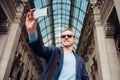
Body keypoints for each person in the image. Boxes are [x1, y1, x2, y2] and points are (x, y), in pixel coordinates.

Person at [25, 9, 89, 80]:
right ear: (61, 40)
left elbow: (85, 78)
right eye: (63, 36)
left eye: (69, 36)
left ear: (74, 39)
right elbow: (39, 50)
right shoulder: (54, 51)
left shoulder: (79, 60)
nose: (66, 37)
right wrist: (31, 31)